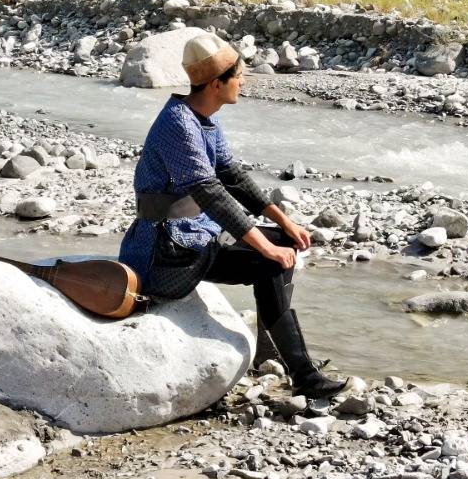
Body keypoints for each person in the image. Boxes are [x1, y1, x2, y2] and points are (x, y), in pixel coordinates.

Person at [118, 33, 347, 397]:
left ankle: (274, 352)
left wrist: (284, 222)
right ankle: (303, 376)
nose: (243, 82)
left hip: (198, 236)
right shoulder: (177, 123)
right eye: (238, 75)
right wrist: (263, 246)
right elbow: (210, 192)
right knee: (270, 261)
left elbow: (232, 176)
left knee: (284, 243)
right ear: (214, 83)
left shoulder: (204, 117)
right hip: (168, 251)